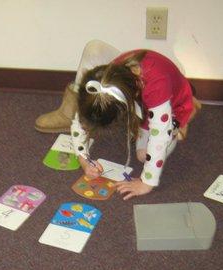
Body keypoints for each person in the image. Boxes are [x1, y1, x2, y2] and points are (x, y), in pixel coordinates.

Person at [35, 40, 201, 199]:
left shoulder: (155, 87)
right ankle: (152, 115)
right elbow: (81, 117)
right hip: (143, 100)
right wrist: (83, 158)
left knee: (144, 156)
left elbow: (160, 136)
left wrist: (146, 182)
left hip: (174, 104)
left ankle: (188, 106)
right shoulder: (102, 78)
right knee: (142, 146)